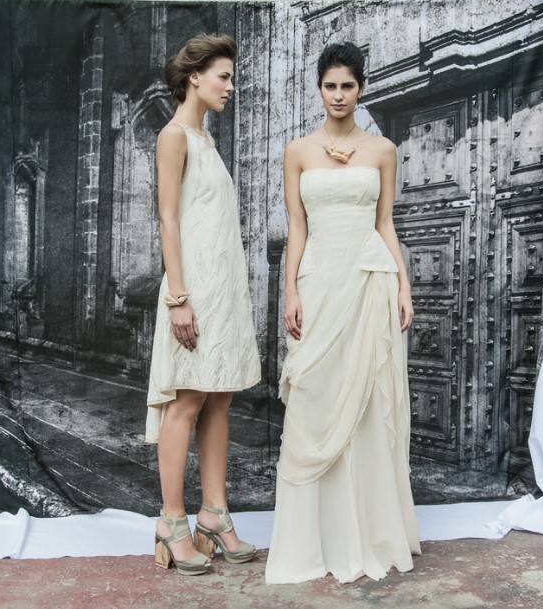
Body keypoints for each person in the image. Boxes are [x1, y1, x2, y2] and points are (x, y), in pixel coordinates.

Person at [265, 42, 421, 584]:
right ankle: (315, 541)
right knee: (315, 397)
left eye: (347, 86)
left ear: (361, 89)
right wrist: (291, 290)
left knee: (368, 402)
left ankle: (369, 533)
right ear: (319, 89)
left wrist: (403, 285)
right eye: (330, 86)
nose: (338, 95)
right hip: (319, 282)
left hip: (369, 280)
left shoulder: (382, 150)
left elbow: (385, 223)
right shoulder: (297, 151)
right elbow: (297, 227)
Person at [146, 34, 261, 576]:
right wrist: (178, 299)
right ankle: (172, 521)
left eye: (232, 78)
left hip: (222, 290)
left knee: (220, 398)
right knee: (187, 399)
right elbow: (168, 219)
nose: (230, 87)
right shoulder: (174, 136)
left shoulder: (206, 140)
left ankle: (214, 514)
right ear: (195, 77)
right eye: (224, 76)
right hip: (191, 291)